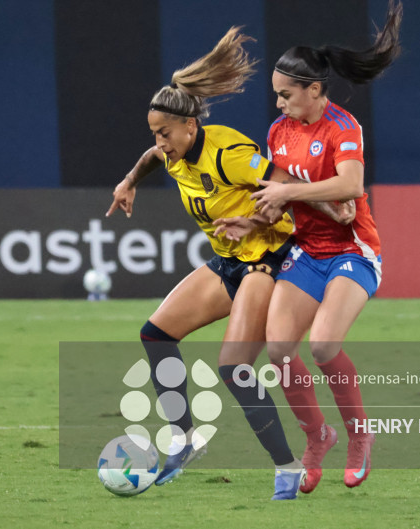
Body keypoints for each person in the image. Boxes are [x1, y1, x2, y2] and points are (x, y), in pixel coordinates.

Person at [106, 27, 353, 500]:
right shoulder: (172, 150)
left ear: (191, 126)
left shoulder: (229, 153)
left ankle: (286, 466)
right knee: (155, 335)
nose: (159, 142)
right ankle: (184, 439)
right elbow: (152, 157)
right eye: (154, 133)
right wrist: (129, 180)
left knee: (235, 366)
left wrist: (332, 207)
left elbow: (281, 183)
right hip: (227, 262)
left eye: (164, 133)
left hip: (266, 262)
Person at [214, 1, 403, 493]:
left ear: (314, 90)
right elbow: (276, 203)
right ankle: (317, 437)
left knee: (322, 345)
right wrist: (252, 218)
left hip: (353, 252)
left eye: (285, 95)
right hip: (307, 253)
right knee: (278, 350)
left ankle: (361, 436)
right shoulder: (279, 133)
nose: (278, 105)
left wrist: (288, 192)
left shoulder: (342, 128)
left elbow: (351, 187)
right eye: (276, 96)